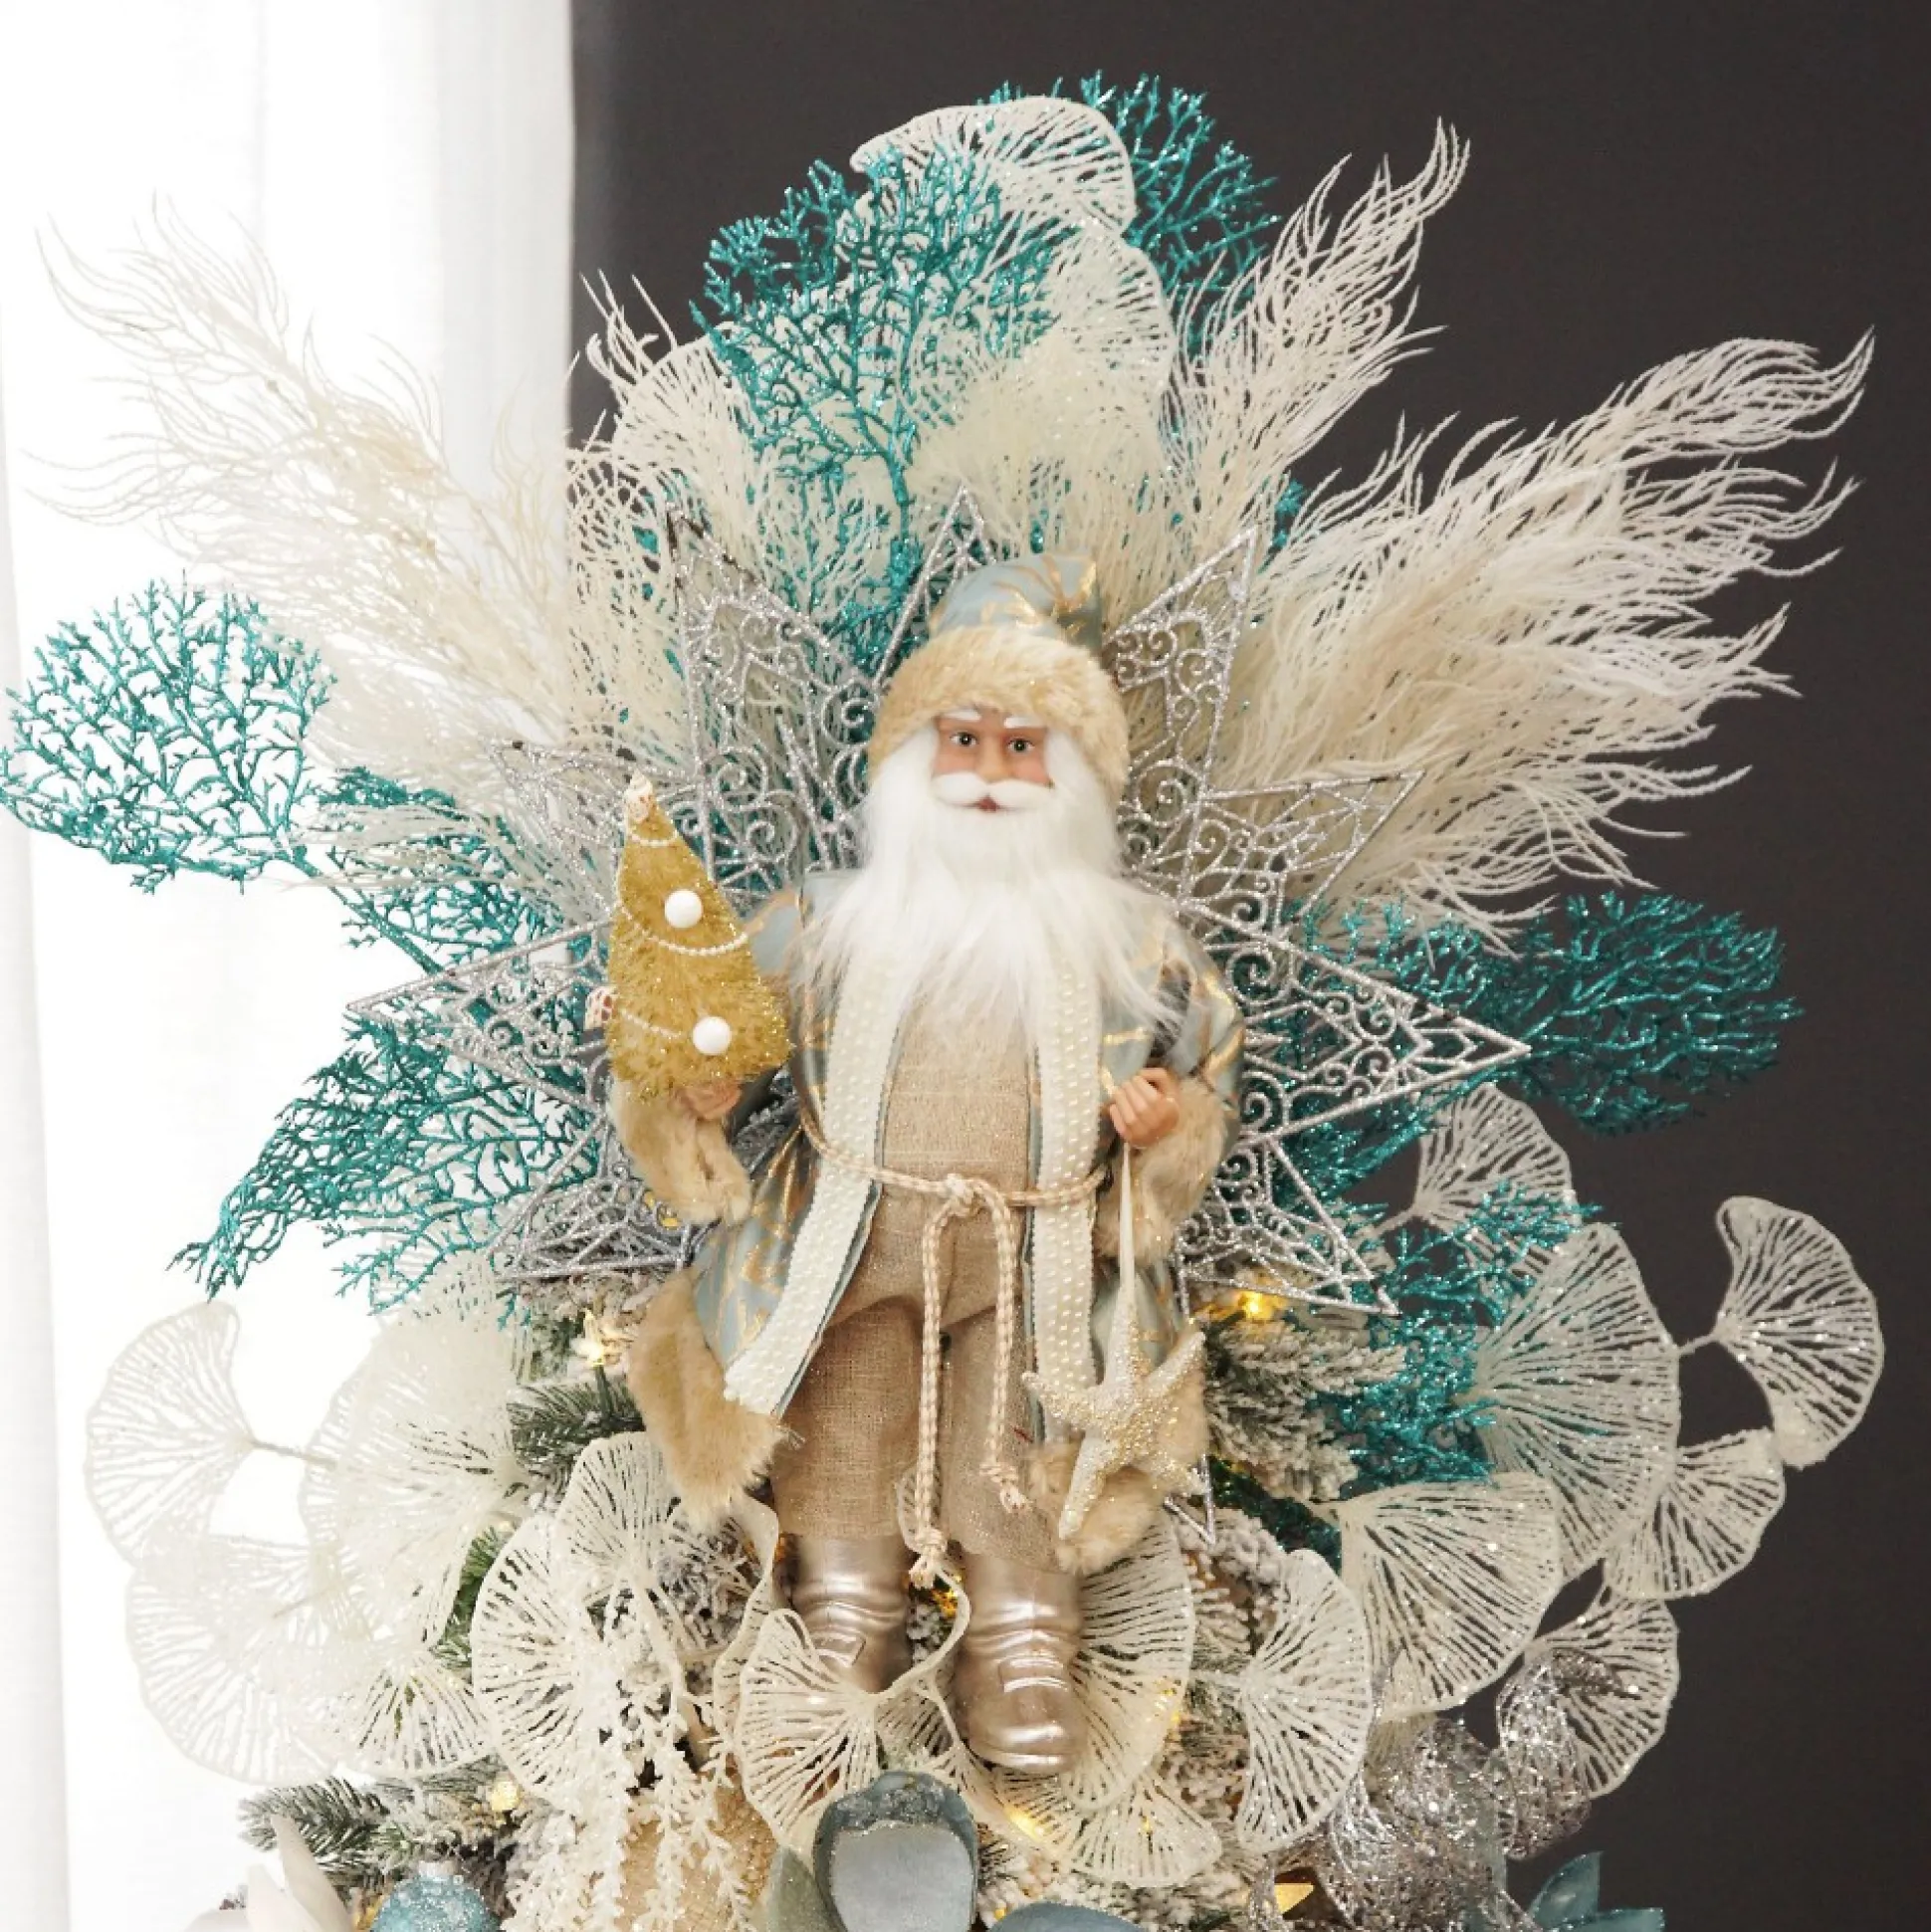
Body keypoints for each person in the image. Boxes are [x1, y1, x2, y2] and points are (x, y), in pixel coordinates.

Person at [614, 554, 1243, 1775]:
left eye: (1023, 747)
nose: (990, 775)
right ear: (911, 760)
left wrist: (1166, 1121)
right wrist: (701, 1092)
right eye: (963, 740)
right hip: (844, 1244)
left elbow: (1207, 1055)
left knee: (1014, 1443)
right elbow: (719, 1025)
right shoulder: (825, 923)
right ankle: (840, 1619)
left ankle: (1021, 1639)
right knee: (842, 1425)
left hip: (1033, 1259)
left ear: (1073, 777)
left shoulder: (1131, 946)